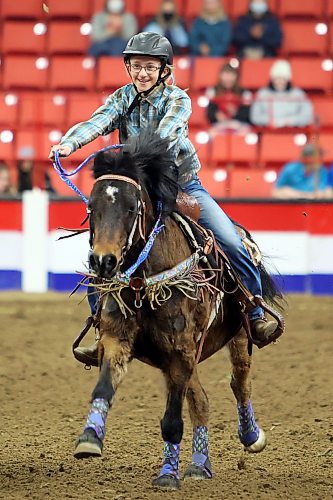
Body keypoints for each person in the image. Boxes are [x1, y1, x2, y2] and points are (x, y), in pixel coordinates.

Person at [49, 32, 280, 364]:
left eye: (149, 67)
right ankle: (103, 327)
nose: (142, 73)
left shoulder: (177, 101)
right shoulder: (121, 98)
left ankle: (254, 311)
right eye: (136, 66)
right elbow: (97, 122)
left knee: (231, 241)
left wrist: (130, 158)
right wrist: (70, 144)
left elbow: (163, 136)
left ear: (163, 70)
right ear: (128, 67)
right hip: (139, 188)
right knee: (103, 253)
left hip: (182, 186)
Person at [250, 60, 314, 128]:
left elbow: (307, 115)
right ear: (272, 79)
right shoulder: (262, 93)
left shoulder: (298, 94)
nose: (279, 81)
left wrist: (291, 121)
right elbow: (255, 116)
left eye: (283, 78)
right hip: (268, 131)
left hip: (293, 131)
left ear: (288, 79)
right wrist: (270, 121)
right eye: (276, 78)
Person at [206, 62, 252, 134]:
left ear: (236, 76)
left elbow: (247, 114)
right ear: (220, 76)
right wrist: (216, 115)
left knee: (247, 134)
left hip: (239, 124)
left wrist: (235, 113)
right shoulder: (212, 91)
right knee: (210, 134)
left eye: (231, 74)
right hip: (219, 125)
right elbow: (209, 112)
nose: (228, 78)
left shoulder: (245, 93)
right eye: (225, 74)